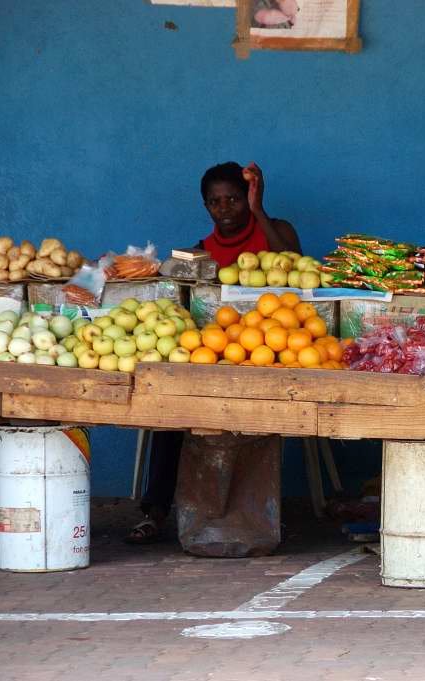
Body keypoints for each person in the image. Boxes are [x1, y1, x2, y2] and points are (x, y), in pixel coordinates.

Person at [125, 161, 299, 544]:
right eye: (215, 202)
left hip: (273, 353)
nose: (224, 209)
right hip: (215, 353)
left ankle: (258, 514)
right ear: (205, 206)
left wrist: (259, 210)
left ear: (248, 197)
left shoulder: (277, 233)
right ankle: (155, 511)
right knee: (172, 406)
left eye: (233, 199)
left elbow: (297, 269)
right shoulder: (200, 255)